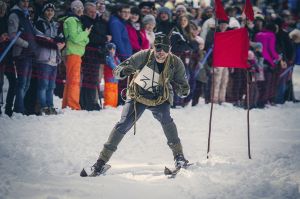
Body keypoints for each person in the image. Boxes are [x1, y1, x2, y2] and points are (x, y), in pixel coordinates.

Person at [86, 33, 190, 177]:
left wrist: (182, 90)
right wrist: (124, 71)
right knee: (123, 124)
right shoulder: (143, 56)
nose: (161, 53)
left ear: (169, 49)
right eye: (158, 49)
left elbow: (183, 85)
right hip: (138, 96)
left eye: (164, 50)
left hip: (160, 97)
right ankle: (101, 162)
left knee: (166, 119)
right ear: (153, 48)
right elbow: (117, 71)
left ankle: (179, 157)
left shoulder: (175, 62)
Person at [35, 2, 64, 115]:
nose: (50, 12)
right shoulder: (39, 23)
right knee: (43, 85)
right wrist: (55, 42)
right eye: (48, 10)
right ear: (44, 11)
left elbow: (62, 39)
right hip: (43, 58)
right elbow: (41, 39)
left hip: (54, 59)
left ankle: (50, 106)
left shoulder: (56, 25)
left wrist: (54, 41)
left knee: (51, 86)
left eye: (52, 10)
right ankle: (43, 107)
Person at [62, 0, 91, 110]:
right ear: (73, 9)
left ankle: (67, 105)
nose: (80, 9)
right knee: (74, 80)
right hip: (73, 53)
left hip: (77, 53)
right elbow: (74, 38)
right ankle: (73, 106)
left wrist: (83, 37)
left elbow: (86, 40)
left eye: (81, 8)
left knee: (71, 79)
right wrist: (85, 34)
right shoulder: (71, 20)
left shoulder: (79, 21)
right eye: (77, 7)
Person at [103, 42, 120, 108]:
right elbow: (113, 66)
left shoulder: (116, 58)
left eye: (114, 49)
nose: (112, 51)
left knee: (115, 93)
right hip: (109, 78)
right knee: (109, 93)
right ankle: (108, 105)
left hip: (115, 80)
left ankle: (114, 105)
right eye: (111, 49)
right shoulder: (108, 57)